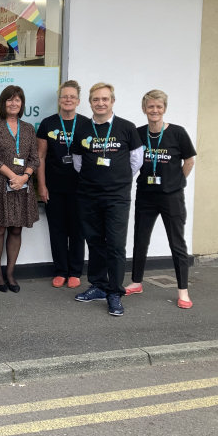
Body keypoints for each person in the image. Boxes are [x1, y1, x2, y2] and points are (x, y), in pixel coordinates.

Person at [72, 83, 143, 317]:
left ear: (112, 101)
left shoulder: (127, 128)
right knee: (94, 241)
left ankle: (114, 292)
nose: (100, 103)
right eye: (96, 99)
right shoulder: (82, 128)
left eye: (105, 99)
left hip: (116, 198)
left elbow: (136, 161)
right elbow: (78, 161)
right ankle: (98, 285)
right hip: (88, 196)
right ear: (90, 102)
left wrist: (117, 181)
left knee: (115, 245)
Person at [126, 90, 197, 308]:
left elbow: (189, 161)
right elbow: (131, 161)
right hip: (146, 195)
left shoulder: (177, 133)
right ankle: (136, 282)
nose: (154, 110)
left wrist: (176, 182)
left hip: (171, 196)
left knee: (177, 243)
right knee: (140, 239)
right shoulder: (138, 134)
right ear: (144, 109)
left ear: (164, 108)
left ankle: (183, 291)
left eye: (158, 106)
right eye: (150, 107)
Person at [0, 85, 40, 294]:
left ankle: (10, 273)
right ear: (3, 103)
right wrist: (12, 176)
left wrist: (24, 177)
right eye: (9, 100)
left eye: (17, 100)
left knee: (16, 229)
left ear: (22, 104)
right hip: (0, 184)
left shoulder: (28, 128)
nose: (13, 103)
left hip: (22, 187)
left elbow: (35, 157)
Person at [37, 80, 86, 289]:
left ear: (78, 101)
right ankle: (60, 270)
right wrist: (42, 186)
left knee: (77, 230)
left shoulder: (86, 124)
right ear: (59, 100)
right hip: (54, 186)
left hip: (80, 188)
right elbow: (40, 157)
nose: (68, 100)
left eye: (72, 97)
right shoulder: (48, 124)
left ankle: (75, 272)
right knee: (56, 230)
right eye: (64, 96)